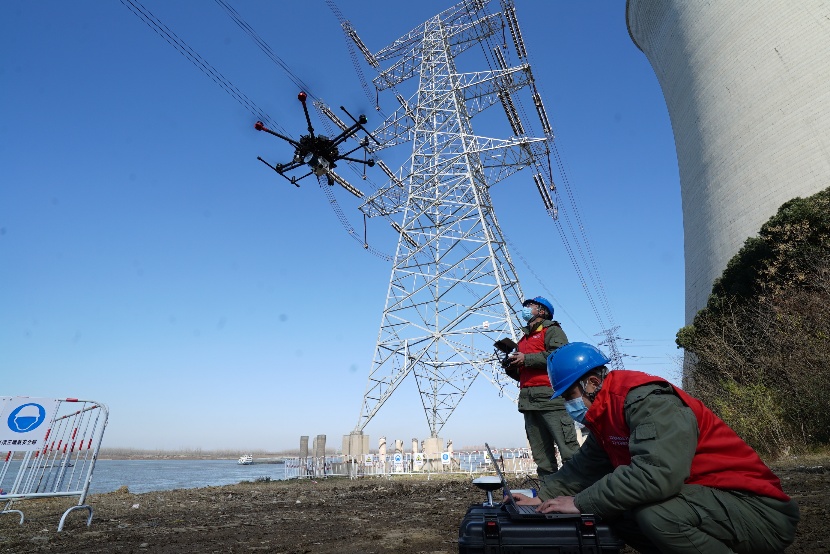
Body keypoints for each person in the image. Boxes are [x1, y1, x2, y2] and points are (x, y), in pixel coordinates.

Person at [512, 342, 799, 554]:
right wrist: (538, 496)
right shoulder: (606, 415)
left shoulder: (647, 402)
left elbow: (656, 475)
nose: (567, 407)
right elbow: (582, 470)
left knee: (655, 515)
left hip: (758, 512)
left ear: (593, 383)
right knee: (615, 509)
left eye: (570, 396)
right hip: (708, 503)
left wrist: (580, 502)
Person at [505, 296, 581, 485]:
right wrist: (511, 366)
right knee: (542, 457)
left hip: (551, 398)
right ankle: (549, 493)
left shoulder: (552, 331)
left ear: (542, 311)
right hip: (529, 402)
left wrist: (527, 359)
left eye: (529, 306)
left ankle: (580, 492)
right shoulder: (523, 340)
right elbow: (522, 373)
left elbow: (559, 357)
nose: (525, 308)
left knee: (568, 451)